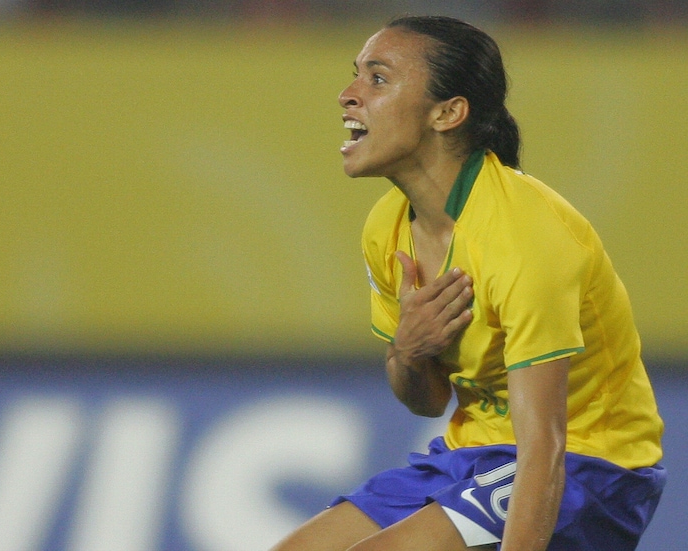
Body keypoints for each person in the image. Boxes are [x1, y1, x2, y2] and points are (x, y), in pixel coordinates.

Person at [270, 15, 665, 551]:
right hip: (475, 456)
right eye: (356, 74)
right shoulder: (386, 228)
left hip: (591, 465)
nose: (348, 94)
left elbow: (544, 447)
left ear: (448, 113)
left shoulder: (525, 236)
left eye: (378, 79)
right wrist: (409, 350)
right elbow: (428, 401)